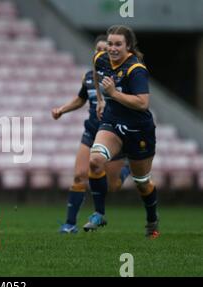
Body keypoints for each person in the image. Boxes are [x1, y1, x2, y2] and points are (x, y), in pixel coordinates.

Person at [52, 35, 131, 234]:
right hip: (92, 131)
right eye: (97, 49)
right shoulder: (88, 76)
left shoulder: (121, 76)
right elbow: (81, 99)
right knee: (79, 175)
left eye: (104, 50)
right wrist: (62, 109)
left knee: (112, 186)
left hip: (113, 134)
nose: (100, 53)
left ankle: (125, 169)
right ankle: (70, 225)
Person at [90, 25, 159, 238]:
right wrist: (101, 100)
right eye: (110, 43)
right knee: (95, 161)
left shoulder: (135, 69)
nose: (112, 48)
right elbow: (96, 73)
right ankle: (99, 214)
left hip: (139, 130)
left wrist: (112, 93)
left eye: (118, 44)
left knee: (142, 184)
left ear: (128, 46)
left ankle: (152, 220)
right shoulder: (100, 58)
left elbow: (142, 103)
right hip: (113, 123)